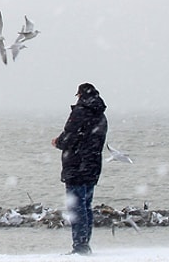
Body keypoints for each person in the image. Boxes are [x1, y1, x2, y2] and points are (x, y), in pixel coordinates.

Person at [51, 83, 108, 255]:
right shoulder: (101, 116)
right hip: (93, 165)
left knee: (76, 207)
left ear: (80, 95)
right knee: (86, 206)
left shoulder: (80, 112)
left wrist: (58, 142)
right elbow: (95, 140)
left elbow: (70, 135)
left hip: (76, 165)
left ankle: (80, 246)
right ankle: (84, 244)